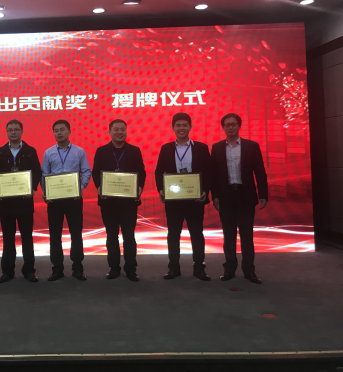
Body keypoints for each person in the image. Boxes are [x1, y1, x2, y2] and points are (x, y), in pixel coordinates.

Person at [211, 113, 268, 284]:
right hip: (226, 195)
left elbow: (260, 172)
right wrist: (215, 196)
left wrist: (263, 195)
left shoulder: (251, 146)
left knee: (246, 236)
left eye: (233, 124)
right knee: (228, 236)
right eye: (227, 124)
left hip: (246, 195)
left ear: (239, 126)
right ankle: (229, 269)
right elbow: (214, 175)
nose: (230, 127)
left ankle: (249, 271)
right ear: (223, 127)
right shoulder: (217, 148)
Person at [154, 113, 212, 281]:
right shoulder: (166, 148)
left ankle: (199, 268)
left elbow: (209, 172)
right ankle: (173, 267)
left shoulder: (201, 148)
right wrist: (161, 190)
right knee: (173, 234)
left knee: (197, 233)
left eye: (184, 125)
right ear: (173, 128)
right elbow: (159, 171)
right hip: (174, 200)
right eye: (178, 125)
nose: (181, 128)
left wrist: (205, 190)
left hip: (195, 199)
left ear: (190, 127)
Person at [92, 119, 146, 281]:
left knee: (129, 236)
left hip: (129, 203)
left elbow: (141, 172)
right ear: (110, 132)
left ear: (126, 131)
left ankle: (131, 269)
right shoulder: (101, 151)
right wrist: (99, 187)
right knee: (111, 236)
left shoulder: (134, 151)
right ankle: (113, 268)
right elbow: (96, 172)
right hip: (109, 202)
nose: (119, 132)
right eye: (116, 129)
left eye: (122, 129)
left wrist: (139, 187)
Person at [0, 120, 42, 283]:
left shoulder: (30, 151)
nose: (13, 132)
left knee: (27, 238)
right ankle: (7, 271)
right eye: (10, 130)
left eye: (16, 130)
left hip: (25, 202)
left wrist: (33, 187)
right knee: (8, 239)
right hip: (6, 204)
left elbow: (37, 172)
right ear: (6, 132)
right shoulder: (1, 151)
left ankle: (29, 270)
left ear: (22, 131)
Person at [41, 119, 92, 281]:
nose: (59, 133)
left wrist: (80, 187)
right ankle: (57, 269)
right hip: (55, 200)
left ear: (69, 131)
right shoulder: (48, 153)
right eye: (56, 130)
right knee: (54, 235)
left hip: (73, 199)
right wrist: (46, 192)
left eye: (62, 129)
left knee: (76, 233)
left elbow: (86, 171)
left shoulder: (79, 151)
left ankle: (77, 268)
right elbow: (44, 174)